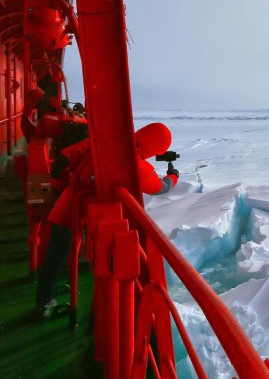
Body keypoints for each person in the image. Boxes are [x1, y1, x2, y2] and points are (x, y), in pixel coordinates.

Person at [35, 122, 180, 317]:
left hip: (69, 203)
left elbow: (68, 156)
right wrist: (173, 176)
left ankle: (48, 293)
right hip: (86, 213)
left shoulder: (107, 142)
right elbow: (160, 187)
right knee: (67, 255)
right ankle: (45, 302)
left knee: (58, 250)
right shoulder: (135, 165)